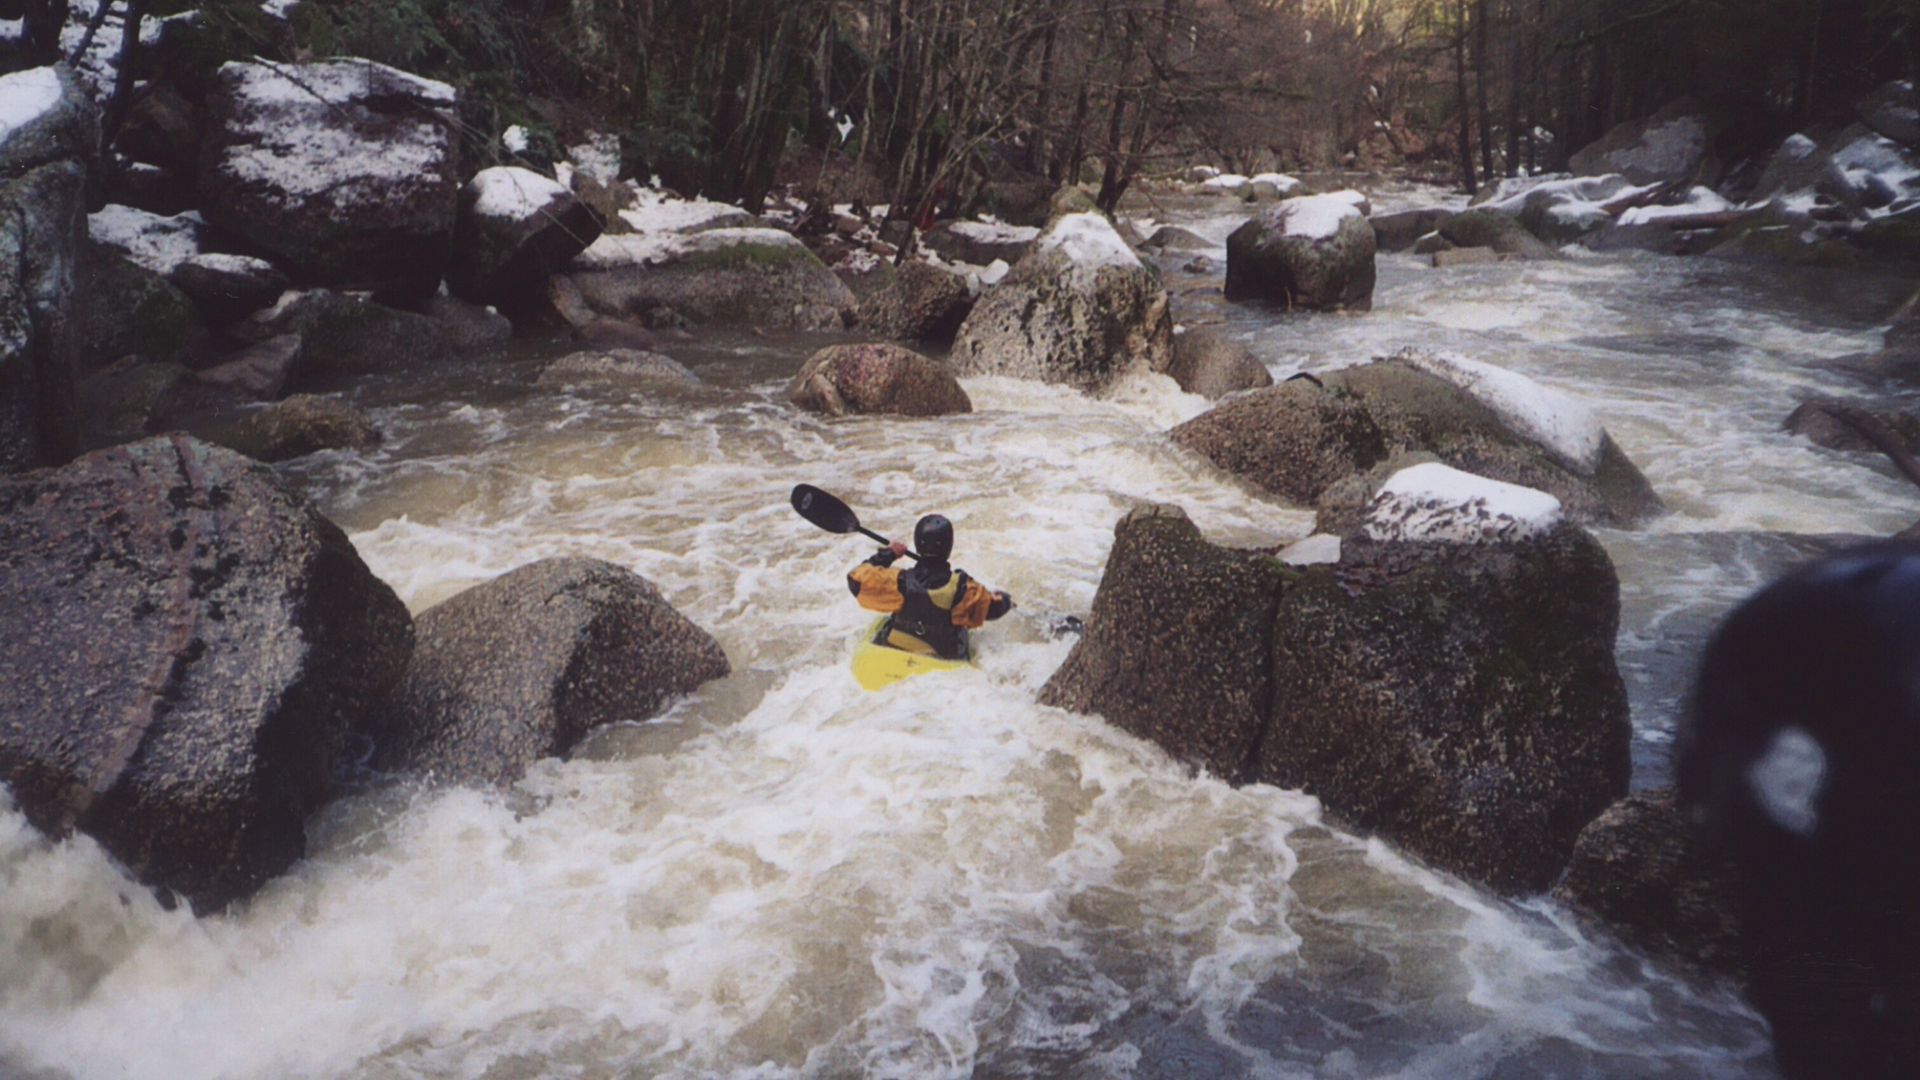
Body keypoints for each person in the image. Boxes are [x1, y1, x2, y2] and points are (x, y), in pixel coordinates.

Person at [846, 513, 1013, 660]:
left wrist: (890, 553)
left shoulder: (899, 582)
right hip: (941, 660)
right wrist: (1006, 599)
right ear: (949, 546)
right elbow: (994, 609)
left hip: (894, 652)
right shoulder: (963, 589)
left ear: (918, 545)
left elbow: (856, 579)